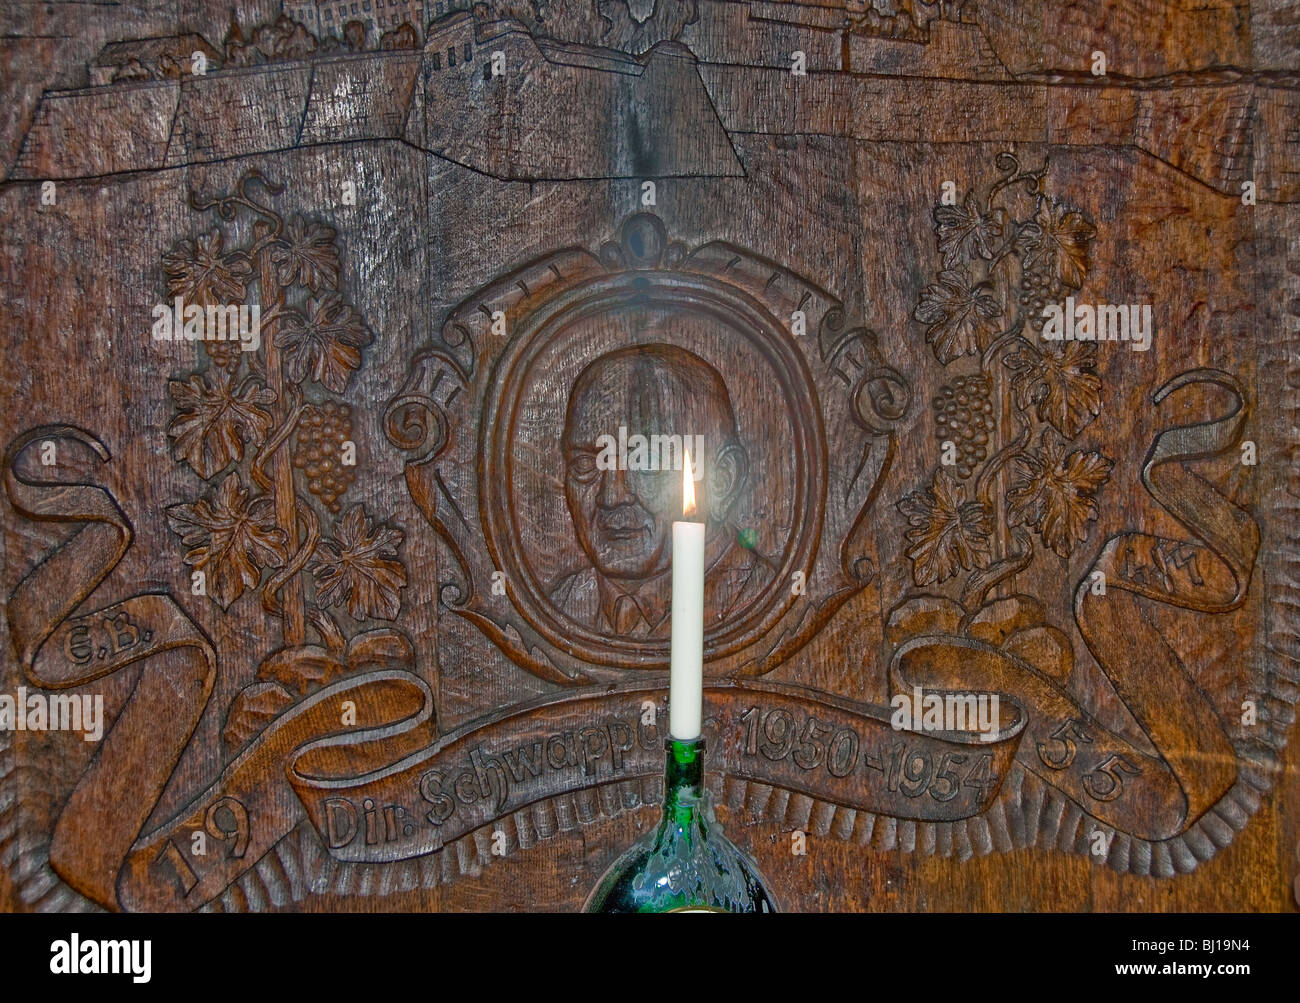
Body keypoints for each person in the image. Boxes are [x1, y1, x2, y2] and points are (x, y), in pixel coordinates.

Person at [550, 344, 774, 638]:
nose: (611, 497)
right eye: (584, 464)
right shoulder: (564, 605)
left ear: (723, 480)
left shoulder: (766, 604)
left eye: (646, 460)